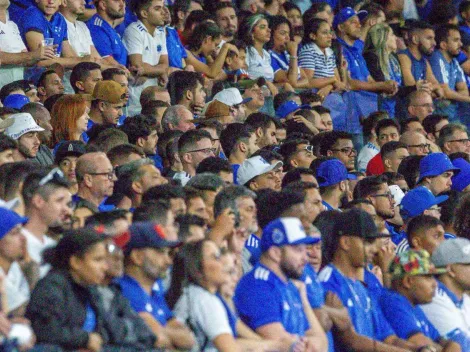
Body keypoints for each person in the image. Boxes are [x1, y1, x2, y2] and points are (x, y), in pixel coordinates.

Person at [26, 228, 146, 351]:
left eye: (104, 260)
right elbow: (46, 331)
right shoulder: (51, 287)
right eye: (98, 260)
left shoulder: (90, 289)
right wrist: (85, 339)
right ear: (76, 262)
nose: (104, 267)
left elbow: (105, 330)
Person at [319, 209, 417, 352]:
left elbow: (388, 338)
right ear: (345, 242)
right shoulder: (328, 283)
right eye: (368, 242)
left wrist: (420, 349)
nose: (374, 248)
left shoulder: (362, 286)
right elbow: (350, 341)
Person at [234, 217, 328, 351]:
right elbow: (280, 343)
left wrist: (304, 300)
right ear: (276, 253)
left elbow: (322, 342)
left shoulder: (290, 285)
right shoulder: (257, 286)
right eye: (298, 250)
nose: (305, 258)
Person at [119, 222, 195, 350]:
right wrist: (168, 336)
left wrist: (163, 332)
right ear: (137, 257)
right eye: (160, 252)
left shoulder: (154, 293)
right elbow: (158, 340)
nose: (168, 261)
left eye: (168, 253)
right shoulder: (124, 290)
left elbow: (188, 340)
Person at [379, 249, 461, 351]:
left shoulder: (415, 307)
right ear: (408, 281)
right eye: (428, 277)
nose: (435, 284)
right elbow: (419, 343)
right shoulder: (392, 302)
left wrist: (452, 345)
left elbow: (445, 342)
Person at [420, 238, 470, 349]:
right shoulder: (432, 298)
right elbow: (462, 346)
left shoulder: (464, 298)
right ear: (451, 270)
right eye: (468, 264)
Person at [123, 0, 168, 115]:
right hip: (136, 97)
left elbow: (165, 66)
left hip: (154, 94)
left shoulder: (160, 32)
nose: (164, 12)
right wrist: (157, 70)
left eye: (163, 8)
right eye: (157, 9)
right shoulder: (134, 31)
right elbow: (138, 66)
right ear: (144, 13)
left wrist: (147, 69)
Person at [429, 24, 469, 121]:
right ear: (443, 45)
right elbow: (445, 92)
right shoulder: (437, 58)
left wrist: (455, 95)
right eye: (456, 40)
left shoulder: (454, 61)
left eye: (460, 40)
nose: (461, 44)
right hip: (438, 113)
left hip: (452, 110)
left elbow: (463, 89)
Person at [398, 21, 444, 99]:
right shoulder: (404, 57)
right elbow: (412, 91)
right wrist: (433, 90)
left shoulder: (424, 61)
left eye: (433, 39)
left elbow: (441, 91)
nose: (434, 43)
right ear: (415, 39)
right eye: (429, 38)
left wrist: (431, 88)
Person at [0, 207, 33, 316]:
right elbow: (27, 312)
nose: (23, 238)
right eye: (15, 233)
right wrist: (32, 269)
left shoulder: (15, 268)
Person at [73, 152, 117, 224]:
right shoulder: (70, 211)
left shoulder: (111, 210)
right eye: (108, 174)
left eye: (112, 173)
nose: (114, 178)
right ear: (88, 180)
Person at [269, 16, 309, 88]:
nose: (288, 38)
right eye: (283, 33)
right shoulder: (269, 56)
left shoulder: (287, 54)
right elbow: (290, 81)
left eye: (288, 33)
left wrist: (295, 84)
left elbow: (306, 80)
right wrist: (293, 53)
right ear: (271, 34)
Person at [87, 0, 128, 66]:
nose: (122, 4)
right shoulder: (97, 27)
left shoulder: (108, 27)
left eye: (123, 1)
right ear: (103, 5)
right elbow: (107, 61)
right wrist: (129, 75)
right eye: (116, 1)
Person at [239, 14, 275, 82]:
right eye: (263, 27)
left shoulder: (267, 55)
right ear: (251, 32)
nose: (269, 30)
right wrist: (264, 83)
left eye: (268, 27)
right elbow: (242, 80)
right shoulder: (246, 52)